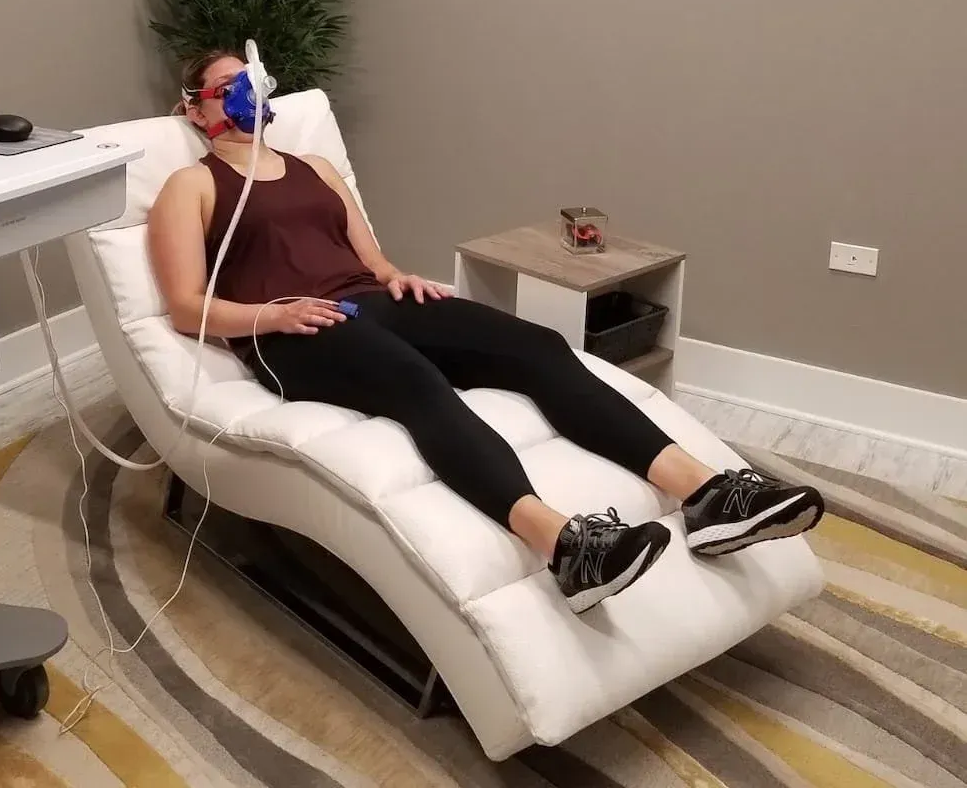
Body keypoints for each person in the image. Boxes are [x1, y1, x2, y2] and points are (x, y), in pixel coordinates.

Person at [147, 50, 826, 614]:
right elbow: (185, 306)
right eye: (226, 87)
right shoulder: (192, 185)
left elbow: (368, 257)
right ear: (196, 108)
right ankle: (567, 548)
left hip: (369, 302)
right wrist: (275, 315)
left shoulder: (315, 169)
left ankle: (708, 496)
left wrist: (396, 277)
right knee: (418, 382)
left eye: (250, 81)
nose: (244, 94)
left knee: (537, 347)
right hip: (290, 331)